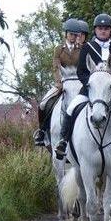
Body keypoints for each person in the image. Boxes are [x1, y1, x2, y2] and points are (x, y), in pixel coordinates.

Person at [54, 13, 111, 163]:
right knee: (71, 109)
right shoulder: (87, 47)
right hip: (91, 91)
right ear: (95, 30)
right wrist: (91, 85)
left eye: (106, 28)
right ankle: (63, 141)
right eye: (100, 28)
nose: (103, 31)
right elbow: (81, 71)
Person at [32, 18, 85, 146]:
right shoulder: (58, 49)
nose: (73, 37)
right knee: (43, 104)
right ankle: (42, 131)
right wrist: (58, 82)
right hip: (63, 81)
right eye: (71, 34)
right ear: (66, 34)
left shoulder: (82, 49)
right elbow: (55, 67)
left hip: (79, 82)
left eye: (76, 34)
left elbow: (84, 67)